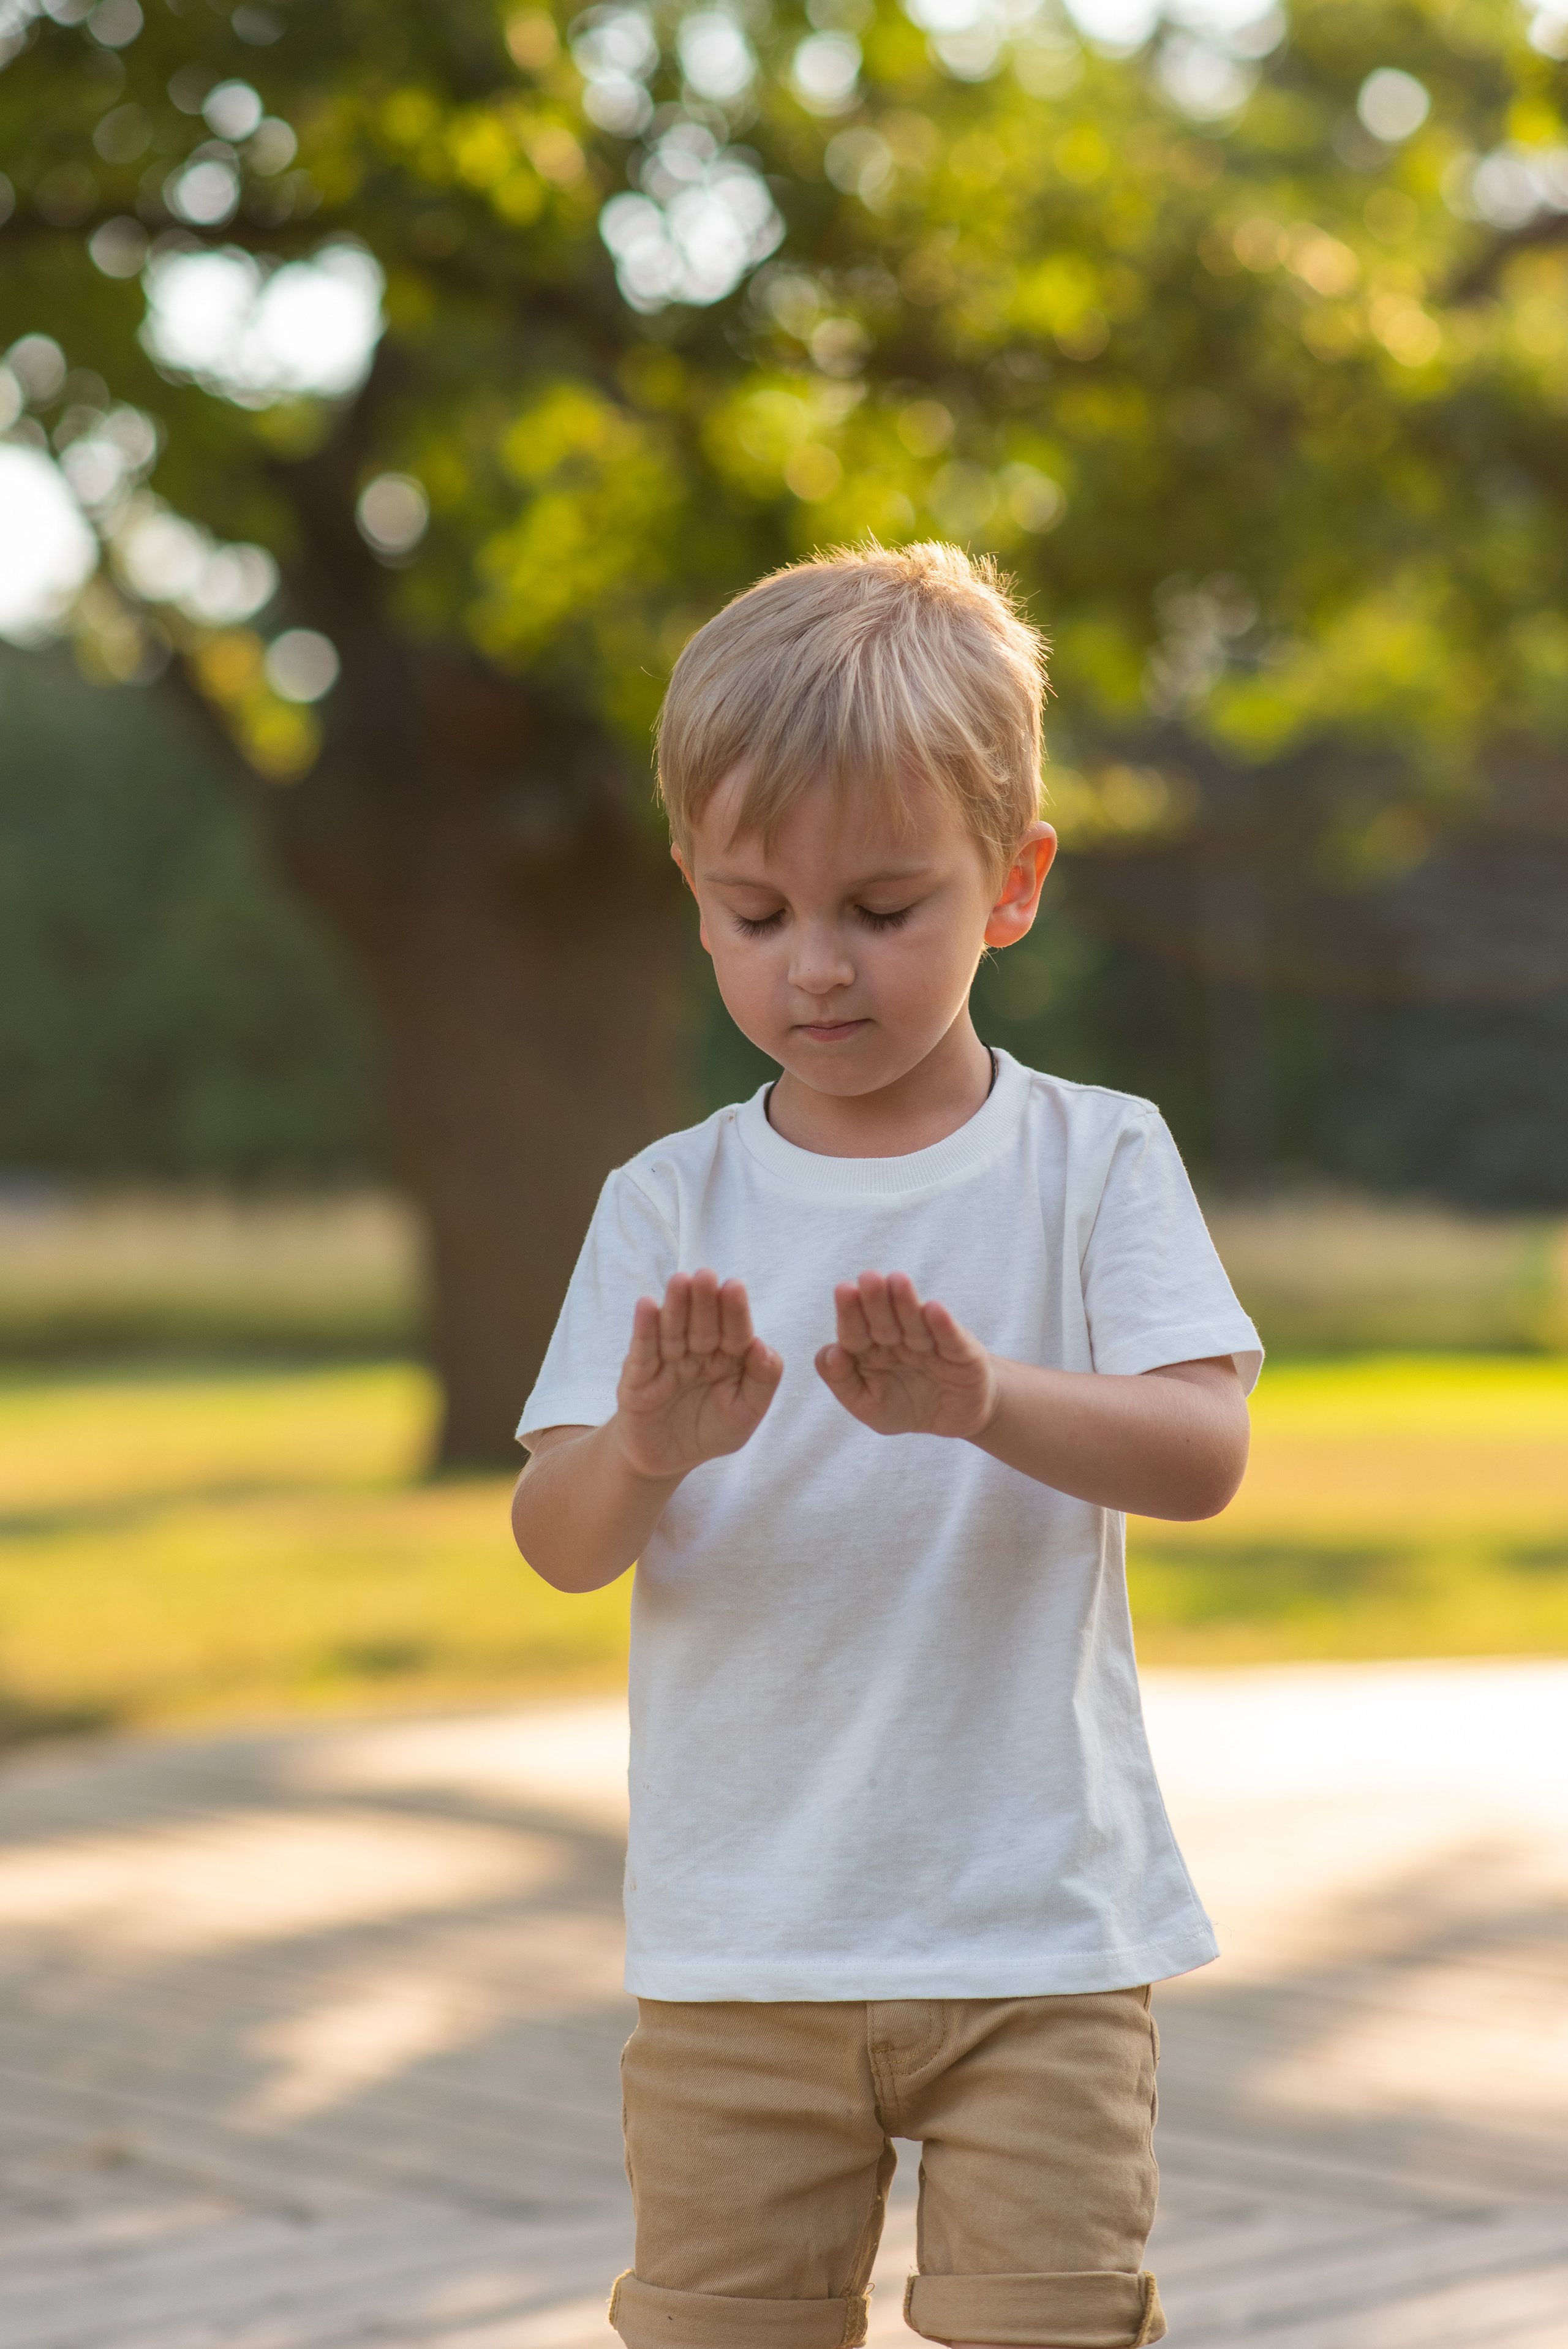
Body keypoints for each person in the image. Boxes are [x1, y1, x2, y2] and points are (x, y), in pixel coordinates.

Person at [510, 541, 1261, 2349]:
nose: (817, 968)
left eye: (882, 907)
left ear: (1013, 885)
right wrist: (647, 1441)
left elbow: (1200, 1447)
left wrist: (985, 1397)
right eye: (758, 914)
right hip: (741, 1947)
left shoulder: (1096, 1160)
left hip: (1037, 1942)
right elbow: (557, 1531)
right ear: (693, 887)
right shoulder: (665, 1196)